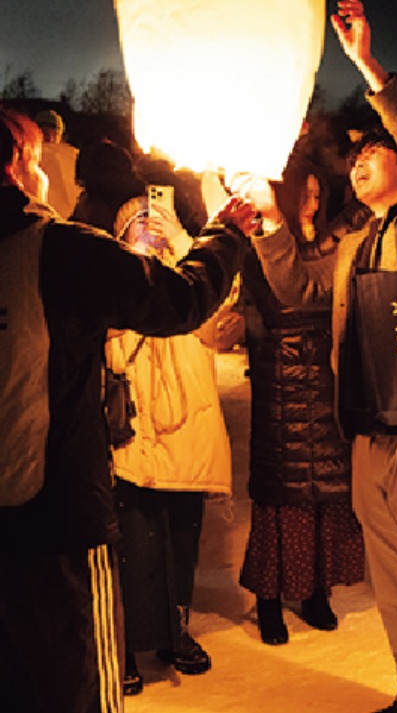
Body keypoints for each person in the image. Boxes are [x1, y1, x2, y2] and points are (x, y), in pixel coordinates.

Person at [247, 0, 397, 712]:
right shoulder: (354, 245)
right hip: (371, 433)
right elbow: (291, 285)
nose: (359, 165)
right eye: (355, 159)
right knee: (394, 571)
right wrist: (265, 215)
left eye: (375, 155)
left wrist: (370, 68)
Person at [0, 106, 250, 713]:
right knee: (77, 683)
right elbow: (179, 299)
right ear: (18, 166)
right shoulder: (56, 248)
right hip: (56, 513)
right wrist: (228, 232)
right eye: (37, 159)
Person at [106, 194, 237, 695]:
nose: (149, 227)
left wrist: (184, 246)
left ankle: (175, 634)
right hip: (133, 435)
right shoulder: (109, 278)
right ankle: (127, 644)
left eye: (155, 217)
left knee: (182, 541)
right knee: (134, 546)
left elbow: (220, 331)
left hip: (188, 434)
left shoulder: (190, 282)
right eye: (137, 220)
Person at [238, 163, 369, 646]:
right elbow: (281, 299)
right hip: (284, 377)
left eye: (318, 196)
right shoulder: (265, 242)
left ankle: (318, 590)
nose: (312, 205)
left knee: (330, 492)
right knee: (283, 491)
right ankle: (270, 598)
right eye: (304, 196)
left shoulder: (336, 243)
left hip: (331, 375)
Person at [32, 108, 79, 218]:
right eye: (44, 133)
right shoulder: (29, 158)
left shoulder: (72, 157)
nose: (49, 138)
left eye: (54, 134)